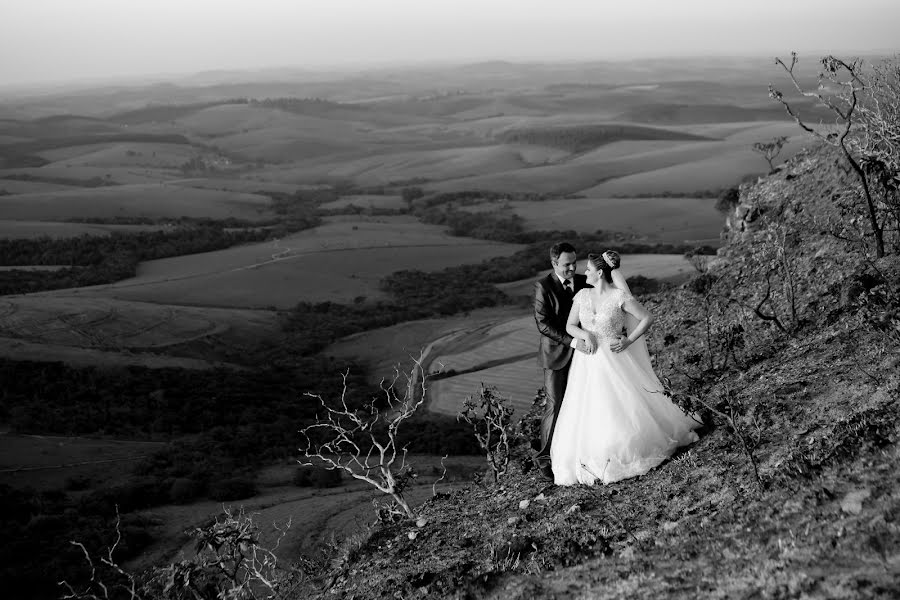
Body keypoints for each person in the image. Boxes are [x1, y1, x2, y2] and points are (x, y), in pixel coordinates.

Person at [551, 250, 700, 486]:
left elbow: (647, 318)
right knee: (588, 406)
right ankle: (591, 456)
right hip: (587, 361)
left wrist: (628, 340)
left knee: (618, 403)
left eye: (588, 269)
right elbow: (570, 325)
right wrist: (585, 334)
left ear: (600, 273)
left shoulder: (619, 297)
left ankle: (623, 450)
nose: (585, 273)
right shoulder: (582, 295)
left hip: (614, 358)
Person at [532, 242, 592, 479]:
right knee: (555, 405)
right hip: (556, 355)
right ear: (554, 263)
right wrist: (572, 341)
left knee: (581, 403)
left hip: (585, 355)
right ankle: (544, 459)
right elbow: (543, 323)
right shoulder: (543, 286)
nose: (571, 268)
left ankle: (575, 452)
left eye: (574, 263)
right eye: (566, 264)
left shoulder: (584, 281)